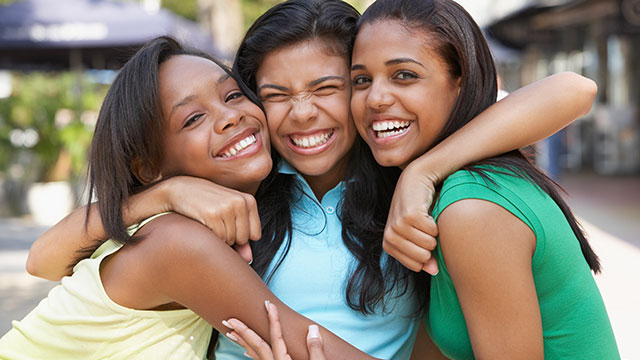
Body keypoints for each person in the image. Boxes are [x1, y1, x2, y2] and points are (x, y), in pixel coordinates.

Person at [26, 1, 601, 358]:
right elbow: (44, 259)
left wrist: (423, 170)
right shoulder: (245, 189)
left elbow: (573, 90)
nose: (301, 114)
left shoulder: (408, 169)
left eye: (328, 88)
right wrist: (165, 191)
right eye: (274, 96)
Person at [0, 36, 376, 360]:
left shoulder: (170, 226)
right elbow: (303, 346)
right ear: (147, 167)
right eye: (192, 118)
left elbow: (40, 261)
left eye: (232, 95)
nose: (229, 116)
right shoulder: (178, 242)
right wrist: (167, 193)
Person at [348, 0, 618, 358]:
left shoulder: (471, 207)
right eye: (361, 80)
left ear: (460, 82)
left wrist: (421, 170)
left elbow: (576, 88)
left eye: (404, 75)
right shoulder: (448, 194)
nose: (376, 98)